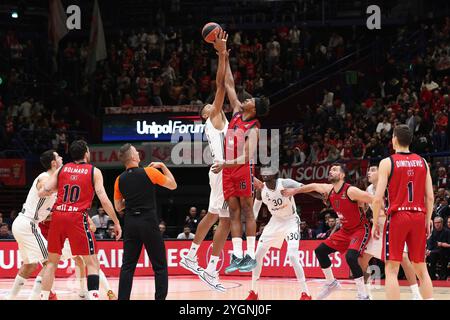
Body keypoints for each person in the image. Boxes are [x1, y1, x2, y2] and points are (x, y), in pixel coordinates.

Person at [212, 38, 270, 274]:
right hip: (228, 170)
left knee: (247, 211)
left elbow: (246, 158)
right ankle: (237, 257)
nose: (245, 99)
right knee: (233, 211)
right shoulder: (236, 111)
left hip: (240, 169)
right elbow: (228, 83)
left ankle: (250, 255)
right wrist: (223, 55)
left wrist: (225, 163)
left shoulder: (254, 127)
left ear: (253, 108)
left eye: (250, 100)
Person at [38, 140, 122, 300]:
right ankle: (94, 296)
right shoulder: (94, 171)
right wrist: (116, 222)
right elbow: (103, 199)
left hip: (58, 216)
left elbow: (44, 191)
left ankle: (43, 297)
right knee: (91, 262)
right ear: (86, 153)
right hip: (76, 218)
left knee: (51, 263)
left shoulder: (62, 169)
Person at [180, 30, 231, 292]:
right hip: (221, 171)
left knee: (224, 220)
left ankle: (211, 268)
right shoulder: (214, 118)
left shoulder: (218, 121)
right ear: (206, 114)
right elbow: (221, 86)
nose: (211, 105)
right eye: (207, 106)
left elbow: (226, 86)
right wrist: (221, 54)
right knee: (216, 217)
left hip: (225, 171)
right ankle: (191, 256)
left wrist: (225, 57)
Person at [282, 163, 373, 300]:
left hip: (360, 229)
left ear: (342, 175)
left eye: (335, 170)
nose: (331, 171)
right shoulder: (328, 189)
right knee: (320, 251)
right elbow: (311, 186)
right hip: (345, 230)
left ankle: (362, 294)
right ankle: (331, 282)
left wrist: (376, 216)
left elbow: (373, 199)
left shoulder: (351, 191)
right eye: (330, 169)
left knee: (351, 257)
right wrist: (294, 191)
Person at [372, 125, 434, 300]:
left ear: (394, 139)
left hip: (399, 216)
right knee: (422, 269)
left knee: (391, 269)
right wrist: (428, 219)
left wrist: (376, 220)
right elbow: (430, 197)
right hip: (418, 216)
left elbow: (377, 198)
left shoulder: (387, 162)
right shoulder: (423, 162)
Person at [114, 143, 177, 300]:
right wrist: (162, 165)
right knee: (160, 266)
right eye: (136, 150)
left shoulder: (119, 179)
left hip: (130, 223)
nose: (138, 152)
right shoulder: (150, 172)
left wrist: (130, 200)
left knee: (127, 266)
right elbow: (173, 185)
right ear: (134, 157)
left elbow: (118, 207)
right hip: (148, 221)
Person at [246, 166, 313, 300]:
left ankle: (306, 294)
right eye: (263, 171)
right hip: (275, 222)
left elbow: (307, 188)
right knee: (257, 256)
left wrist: (323, 195)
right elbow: (254, 212)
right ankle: (254, 292)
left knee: (293, 256)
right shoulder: (261, 190)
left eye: (268, 171)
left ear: (275, 174)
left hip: (291, 221)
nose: (264, 173)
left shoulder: (285, 183)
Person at [4, 150, 62, 300]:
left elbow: (45, 213)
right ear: (54, 163)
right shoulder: (45, 177)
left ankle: (11, 297)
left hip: (24, 223)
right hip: (28, 224)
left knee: (30, 265)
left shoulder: (54, 181)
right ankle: (44, 296)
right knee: (50, 261)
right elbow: (43, 187)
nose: (62, 158)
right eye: (59, 157)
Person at [360, 163, 422, 300]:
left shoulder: (391, 186)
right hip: (378, 227)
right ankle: (365, 292)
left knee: (404, 259)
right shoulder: (369, 189)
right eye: (368, 170)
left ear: (381, 172)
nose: (369, 173)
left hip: (393, 225)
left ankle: (416, 293)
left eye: (372, 170)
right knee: (362, 259)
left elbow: (387, 207)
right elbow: (365, 207)